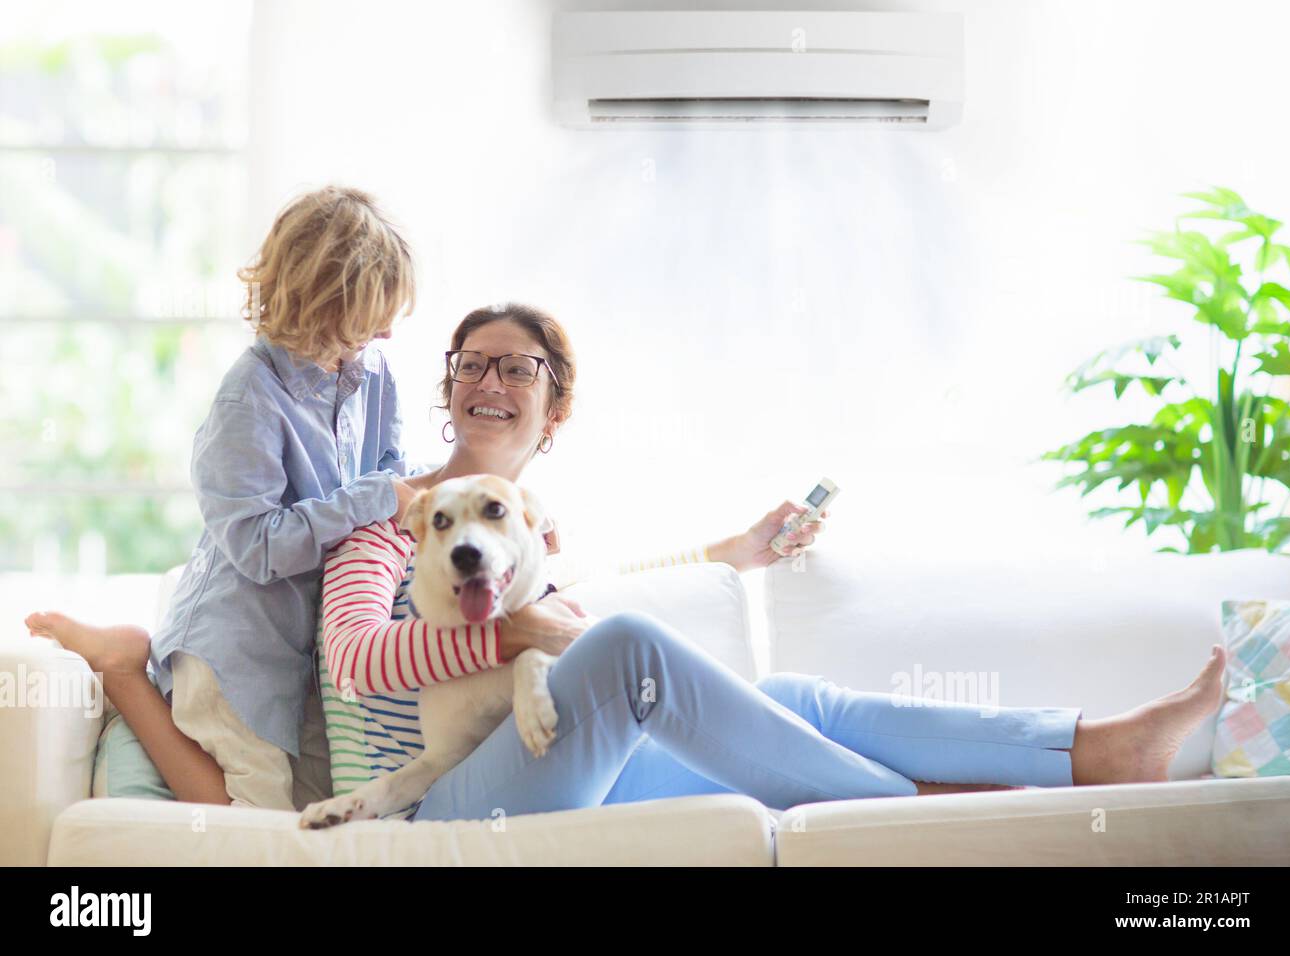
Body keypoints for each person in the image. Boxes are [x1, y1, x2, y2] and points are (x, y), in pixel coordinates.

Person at [308, 302, 1228, 825]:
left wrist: (732, 554)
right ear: (448, 390)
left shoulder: (526, 543)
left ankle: (1088, 747)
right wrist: (511, 632)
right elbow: (353, 656)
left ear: (556, 414)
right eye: (473, 364)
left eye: (520, 370)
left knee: (796, 701)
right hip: (442, 798)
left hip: (554, 762)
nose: (489, 382)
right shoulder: (388, 519)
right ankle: (934, 811)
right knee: (627, 645)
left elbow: (577, 616)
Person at [26, 185, 425, 811]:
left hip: (307, 651)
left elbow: (393, 482)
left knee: (325, 803)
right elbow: (258, 547)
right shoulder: (250, 398)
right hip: (236, 646)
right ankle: (123, 670)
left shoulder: (373, 373)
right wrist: (376, 497)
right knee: (256, 820)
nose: (387, 331)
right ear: (323, 303)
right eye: (371, 314)